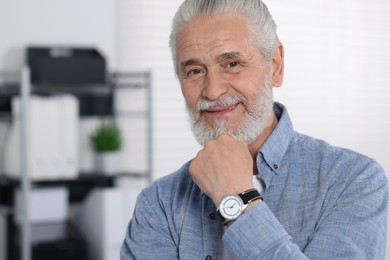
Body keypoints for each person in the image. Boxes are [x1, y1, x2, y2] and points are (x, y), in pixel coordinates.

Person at [120, 0, 388, 259]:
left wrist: (236, 197)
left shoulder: (353, 181)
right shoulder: (158, 203)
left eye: (232, 64)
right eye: (195, 71)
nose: (213, 90)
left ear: (275, 66)